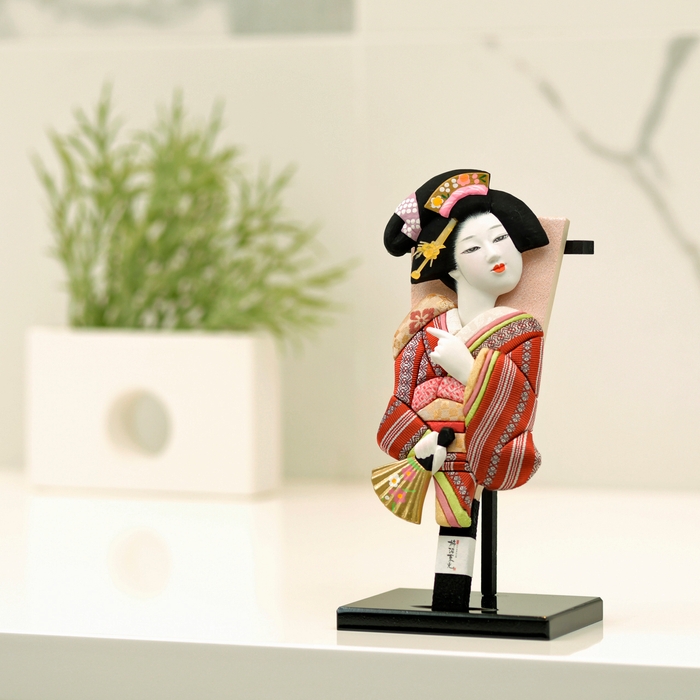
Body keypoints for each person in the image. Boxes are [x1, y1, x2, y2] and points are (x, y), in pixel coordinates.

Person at [376, 169, 549, 611]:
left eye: (502, 239)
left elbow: (522, 401)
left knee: (462, 523)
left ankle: (453, 599)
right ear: (450, 266)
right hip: (435, 455)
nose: (495, 253)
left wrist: (469, 370)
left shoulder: (523, 331)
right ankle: (449, 600)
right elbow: (399, 402)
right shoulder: (423, 330)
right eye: (473, 247)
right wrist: (422, 443)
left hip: (479, 455)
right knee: (452, 534)